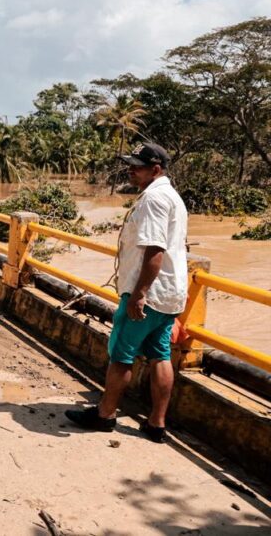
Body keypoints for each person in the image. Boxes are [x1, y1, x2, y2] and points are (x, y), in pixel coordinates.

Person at [65, 142, 188, 443]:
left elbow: (155, 251)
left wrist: (139, 293)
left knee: (121, 354)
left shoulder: (153, 199)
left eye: (137, 167)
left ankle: (105, 414)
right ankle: (156, 423)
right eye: (130, 165)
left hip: (148, 293)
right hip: (170, 293)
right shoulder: (172, 196)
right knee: (160, 355)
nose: (131, 170)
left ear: (155, 169)